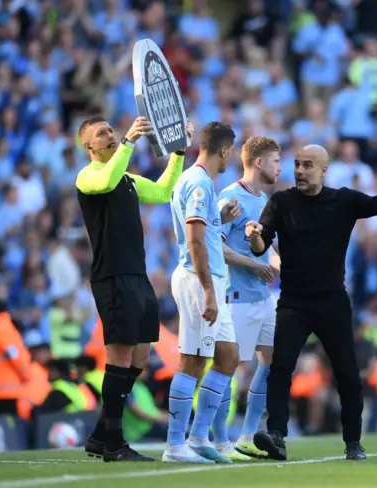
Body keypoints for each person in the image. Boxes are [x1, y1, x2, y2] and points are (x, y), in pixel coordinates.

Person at [245, 144, 377, 461]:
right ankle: (277, 435)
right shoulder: (282, 202)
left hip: (332, 302)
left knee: (348, 374)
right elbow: (261, 246)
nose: (300, 171)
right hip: (294, 302)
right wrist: (254, 236)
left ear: (323, 170)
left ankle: (353, 442)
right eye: (297, 165)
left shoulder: (342, 200)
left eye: (307, 165)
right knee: (281, 369)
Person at [76, 115, 194, 462]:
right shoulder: (89, 176)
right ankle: (114, 443)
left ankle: (100, 434)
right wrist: (127, 143)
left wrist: (178, 153)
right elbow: (107, 181)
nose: (109, 135)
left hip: (136, 275)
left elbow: (162, 191)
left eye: (111, 130)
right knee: (120, 357)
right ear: (89, 147)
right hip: (112, 276)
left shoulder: (125, 177)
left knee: (140, 358)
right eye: (102, 133)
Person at [163, 122, 241, 464]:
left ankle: (197, 437)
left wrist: (219, 219)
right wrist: (208, 291)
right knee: (193, 360)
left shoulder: (201, 184)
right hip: (199, 280)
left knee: (228, 356)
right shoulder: (198, 183)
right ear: (224, 150)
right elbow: (193, 240)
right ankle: (174, 446)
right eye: (231, 152)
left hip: (210, 279)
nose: (231, 158)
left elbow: (202, 232)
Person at [215, 136, 283, 459]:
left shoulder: (265, 201)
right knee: (227, 368)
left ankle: (246, 436)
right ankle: (217, 440)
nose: (280, 168)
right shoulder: (230, 197)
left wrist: (286, 265)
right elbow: (216, 247)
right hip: (237, 296)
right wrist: (253, 266)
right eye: (276, 162)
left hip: (263, 297)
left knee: (271, 361)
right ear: (259, 162)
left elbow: (267, 250)